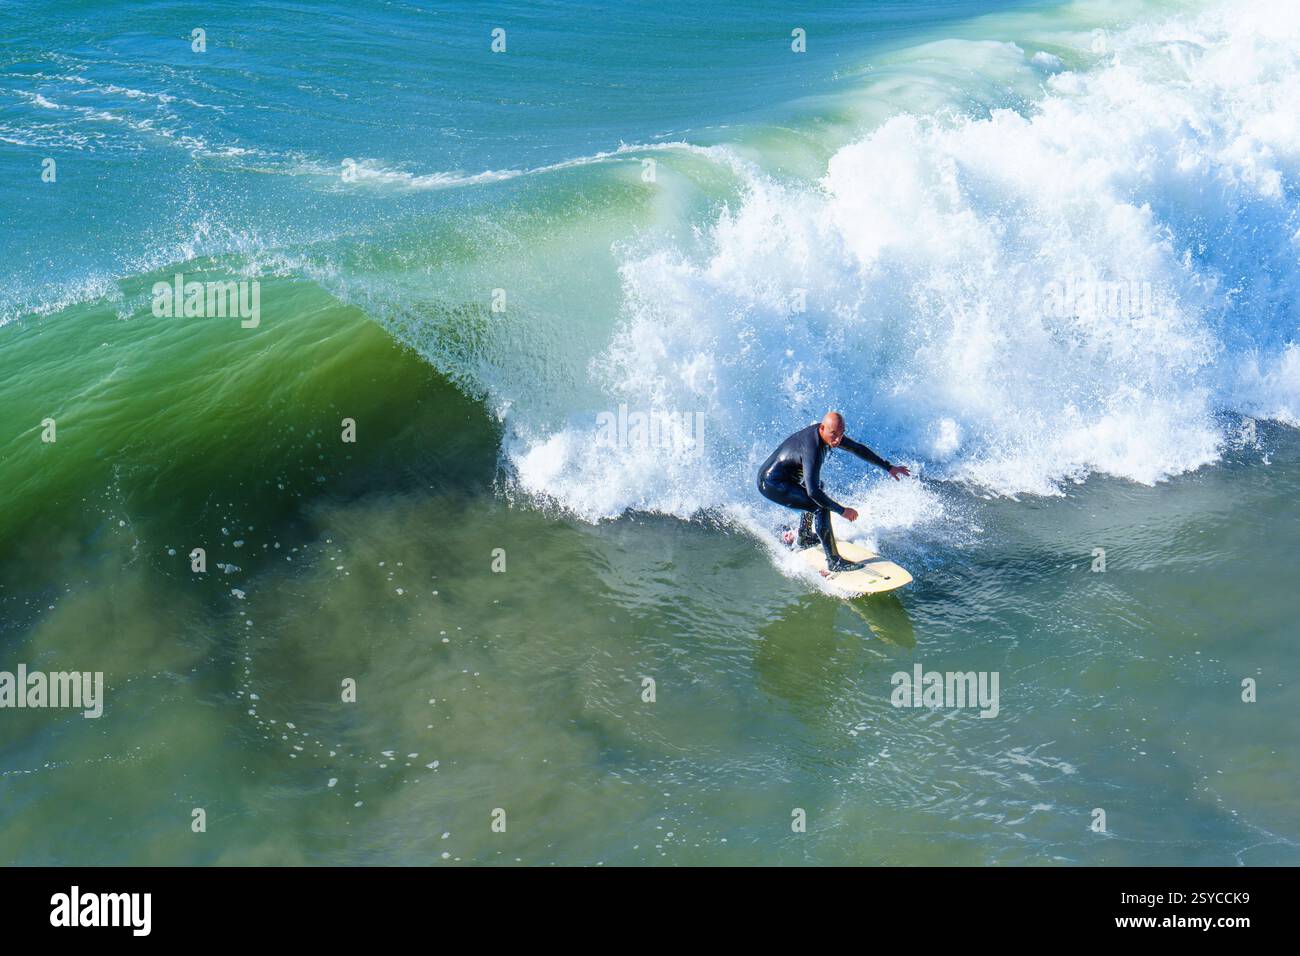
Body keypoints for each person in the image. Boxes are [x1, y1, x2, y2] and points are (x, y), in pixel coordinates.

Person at [757, 411, 910, 572]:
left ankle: (805, 535)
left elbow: (857, 449)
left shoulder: (828, 435)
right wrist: (841, 510)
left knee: (818, 486)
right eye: (834, 435)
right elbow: (813, 493)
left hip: (785, 479)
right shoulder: (813, 449)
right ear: (822, 428)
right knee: (819, 505)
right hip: (771, 483)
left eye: (841, 434)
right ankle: (834, 562)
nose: (838, 440)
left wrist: (888, 467)